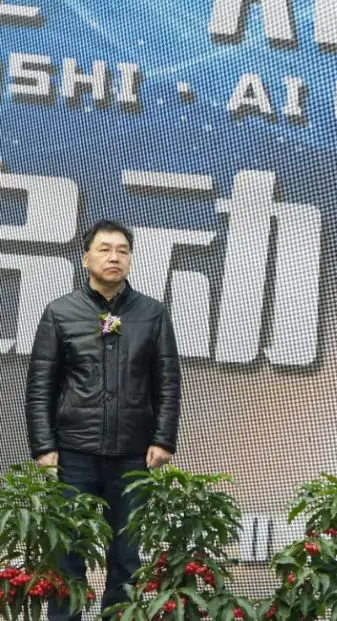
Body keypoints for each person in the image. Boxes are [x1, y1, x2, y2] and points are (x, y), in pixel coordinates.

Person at [25, 219, 181, 620]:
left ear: (130, 259)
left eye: (123, 250)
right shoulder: (60, 312)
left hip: (134, 455)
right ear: (85, 257)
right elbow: (41, 386)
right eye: (105, 249)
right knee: (68, 550)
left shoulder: (153, 313)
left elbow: (167, 383)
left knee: (128, 553)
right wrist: (44, 447)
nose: (114, 257)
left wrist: (163, 440)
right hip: (73, 454)